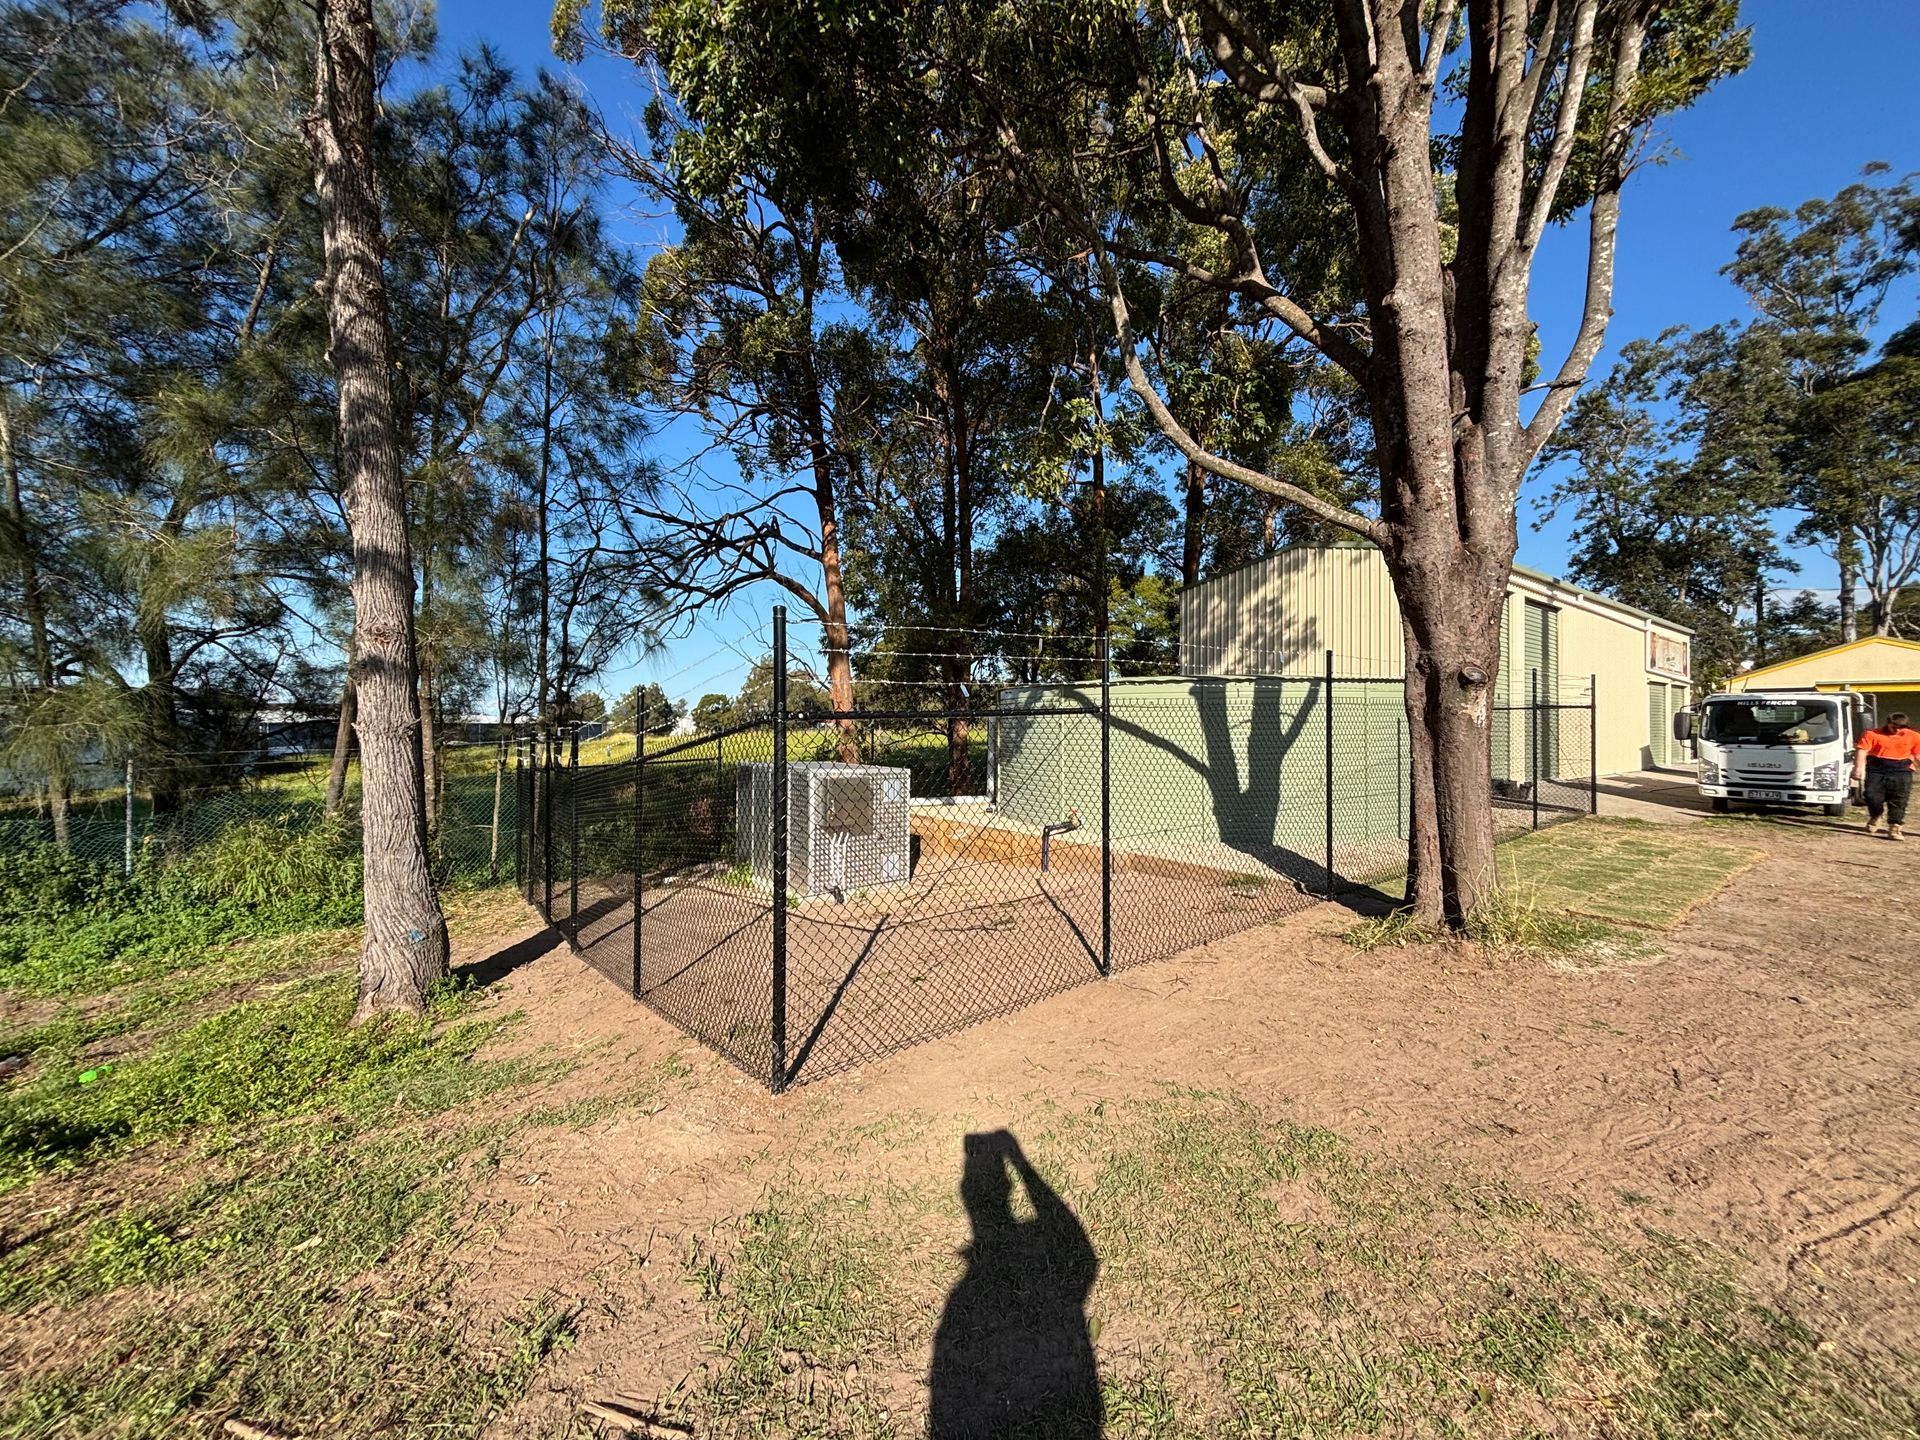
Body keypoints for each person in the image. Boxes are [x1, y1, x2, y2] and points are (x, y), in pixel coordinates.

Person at [1854, 711, 1920, 840]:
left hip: (1901, 770)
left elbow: (1918, 754)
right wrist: (1858, 768)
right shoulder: (1872, 734)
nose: (1898, 731)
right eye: (1894, 728)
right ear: (1888, 724)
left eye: (1902, 729)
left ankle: (1895, 827)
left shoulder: (1914, 736)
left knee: (1899, 800)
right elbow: (1862, 750)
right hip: (1877, 769)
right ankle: (1876, 815)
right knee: (1872, 796)